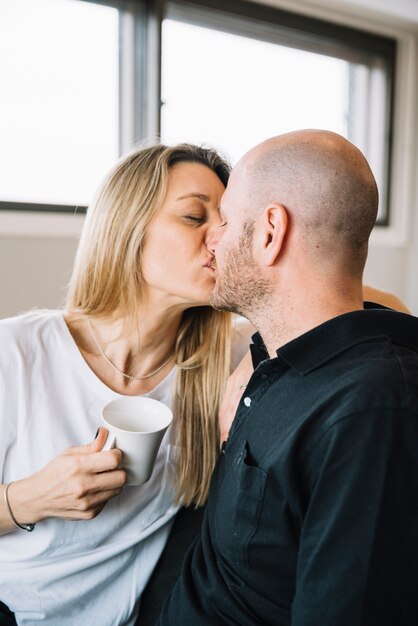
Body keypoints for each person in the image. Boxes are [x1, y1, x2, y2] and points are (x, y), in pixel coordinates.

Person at [157, 130, 418, 626]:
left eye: (227, 221)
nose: (212, 239)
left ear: (270, 232)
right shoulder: (276, 357)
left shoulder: (371, 413)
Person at [0, 143, 253, 626]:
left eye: (224, 223)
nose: (219, 238)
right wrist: (31, 496)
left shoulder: (223, 363)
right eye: (194, 217)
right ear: (128, 227)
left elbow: (348, 294)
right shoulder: (16, 352)